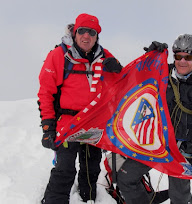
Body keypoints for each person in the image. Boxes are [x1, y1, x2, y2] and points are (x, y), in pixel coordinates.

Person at [117, 35, 192, 204]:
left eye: (188, 57)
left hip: (181, 150)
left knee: (179, 197)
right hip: (154, 143)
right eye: (178, 56)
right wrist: (151, 57)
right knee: (126, 179)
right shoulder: (161, 72)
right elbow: (136, 78)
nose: (182, 61)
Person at [38, 13, 122, 204]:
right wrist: (47, 127)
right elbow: (46, 93)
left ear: (96, 36)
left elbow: (124, 85)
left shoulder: (105, 56)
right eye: (82, 31)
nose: (86, 36)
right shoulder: (59, 55)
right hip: (67, 123)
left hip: (94, 123)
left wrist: (118, 68)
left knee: (91, 167)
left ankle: (88, 200)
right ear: (75, 32)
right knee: (64, 167)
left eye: (91, 32)